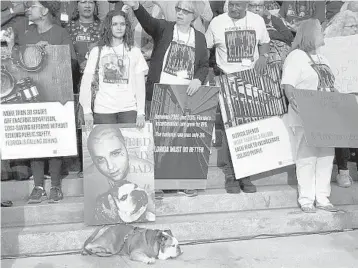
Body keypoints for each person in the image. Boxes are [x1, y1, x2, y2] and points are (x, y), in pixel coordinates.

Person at [124, 0, 209, 197]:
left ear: (193, 17)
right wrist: (136, 6)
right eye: (178, 9)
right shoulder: (164, 28)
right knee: (158, 140)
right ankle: (156, 183)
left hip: (184, 96)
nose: (180, 13)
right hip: (161, 92)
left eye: (185, 11)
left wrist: (198, 79)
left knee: (181, 140)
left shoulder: (200, 38)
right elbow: (148, 22)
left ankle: (182, 182)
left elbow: (204, 64)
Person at [11, 1, 78, 203]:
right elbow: (17, 64)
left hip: (56, 95)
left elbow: (73, 63)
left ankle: (56, 186)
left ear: (45, 10)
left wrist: (52, 52)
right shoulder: (27, 35)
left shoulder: (60, 33)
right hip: (33, 97)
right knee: (36, 140)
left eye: (33, 6)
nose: (28, 9)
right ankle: (38, 186)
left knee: (55, 140)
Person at [206, 0, 270, 194]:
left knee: (248, 130)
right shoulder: (217, 22)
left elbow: (265, 43)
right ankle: (231, 176)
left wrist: (263, 57)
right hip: (226, 80)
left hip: (250, 81)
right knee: (228, 130)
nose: (234, 8)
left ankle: (245, 174)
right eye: (231, 4)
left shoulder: (257, 21)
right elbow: (204, 47)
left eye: (238, 5)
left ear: (246, 5)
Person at [281, 19, 339, 213]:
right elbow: (288, 84)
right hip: (304, 115)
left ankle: (323, 198)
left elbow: (331, 84)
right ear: (309, 34)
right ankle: (306, 199)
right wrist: (292, 98)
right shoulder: (296, 56)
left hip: (326, 116)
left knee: (326, 156)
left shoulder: (324, 58)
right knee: (307, 157)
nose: (322, 34)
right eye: (320, 30)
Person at [79, 9, 148, 127]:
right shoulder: (97, 51)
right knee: (105, 145)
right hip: (103, 110)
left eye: (122, 24)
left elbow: (140, 84)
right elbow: (86, 82)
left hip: (129, 109)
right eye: (114, 24)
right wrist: (87, 111)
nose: (119, 27)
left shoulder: (134, 52)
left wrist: (141, 112)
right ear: (108, 27)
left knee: (128, 145)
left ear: (127, 27)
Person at [86, 124, 155, 223]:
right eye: (100, 159)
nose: (110, 167)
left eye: (115, 153)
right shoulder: (89, 181)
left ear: (126, 145)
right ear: (93, 159)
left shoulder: (148, 174)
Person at [66, 0, 101, 179]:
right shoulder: (69, 27)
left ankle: (95, 161)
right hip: (73, 80)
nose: (87, 5)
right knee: (77, 121)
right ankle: (79, 164)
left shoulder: (102, 26)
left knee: (94, 120)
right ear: (77, 5)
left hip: (97, 82)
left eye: (91, 2)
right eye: (83, 1)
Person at [247, 0, 293, 68]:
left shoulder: (273, 19)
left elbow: (289, 37)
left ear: (264, 7)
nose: (257, 9)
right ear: (247, 7)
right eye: (253, 6)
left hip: (284, 56)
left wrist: (271, 33)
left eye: (260, 6)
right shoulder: (244, 22)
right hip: (262, 57)